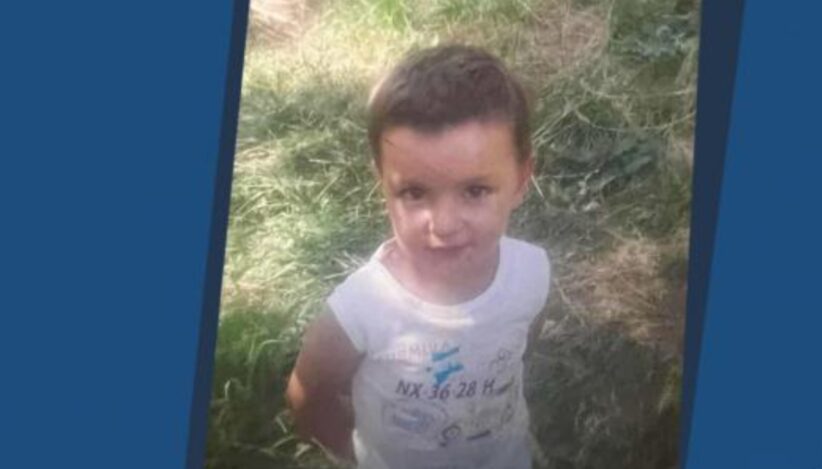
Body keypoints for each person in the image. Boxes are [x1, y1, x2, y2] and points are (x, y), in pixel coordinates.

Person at [286, 44, 551, 469]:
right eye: (414, 192)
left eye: (475, 191)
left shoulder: (532, 273)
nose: (443, 224)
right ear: (383, 185)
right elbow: (308, 394)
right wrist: (353, 456)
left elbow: (522, 338)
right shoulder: (359, 309)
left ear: (521, 180)